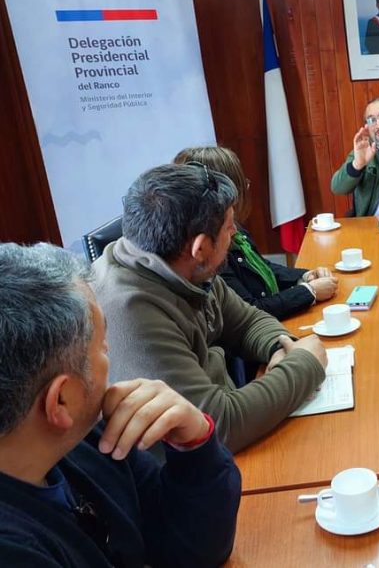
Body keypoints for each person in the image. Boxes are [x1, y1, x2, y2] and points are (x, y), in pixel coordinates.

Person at [0, 243, 241, 567]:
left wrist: (194, 445)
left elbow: (191, 550)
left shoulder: (93, 440)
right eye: (101, 346)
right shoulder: (17, 550)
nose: (110, 351)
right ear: (60, 399)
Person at [93, 163, 327, 453]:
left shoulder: (186, 267)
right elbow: (218, 427)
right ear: (200, 248)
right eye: (230, 228)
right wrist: (306, 363)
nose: (235, 234)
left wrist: (282, 348)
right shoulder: (129, 313)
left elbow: (246, 321)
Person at [173, 146, 338, 320]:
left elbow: (262, 267)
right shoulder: (212, 254)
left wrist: (305, 276)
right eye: (241, 183)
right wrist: (309, 292)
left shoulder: (232, 229)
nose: (247, 187)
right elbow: (250, 312)